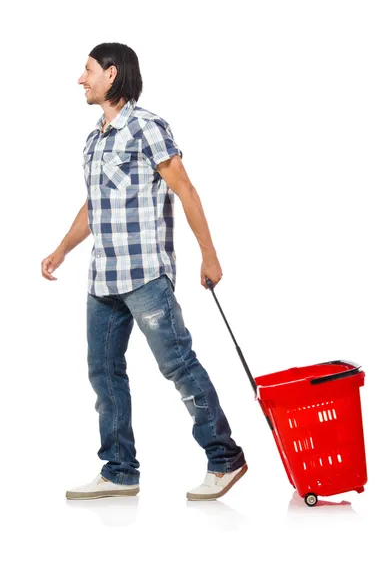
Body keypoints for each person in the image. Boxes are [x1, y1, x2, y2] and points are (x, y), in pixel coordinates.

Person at [41, 42, 247, 501]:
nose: (81, 78)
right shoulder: (95, 140)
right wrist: (61, 251)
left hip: (146, 276)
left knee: (177, 365)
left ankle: (224, 457)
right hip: (103, 280)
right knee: (104, 373)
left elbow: (186, 191)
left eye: (88, 69)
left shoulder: (147, 128)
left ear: (111, 75)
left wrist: (208, 256)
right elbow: (94, 208)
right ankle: (119, 470)